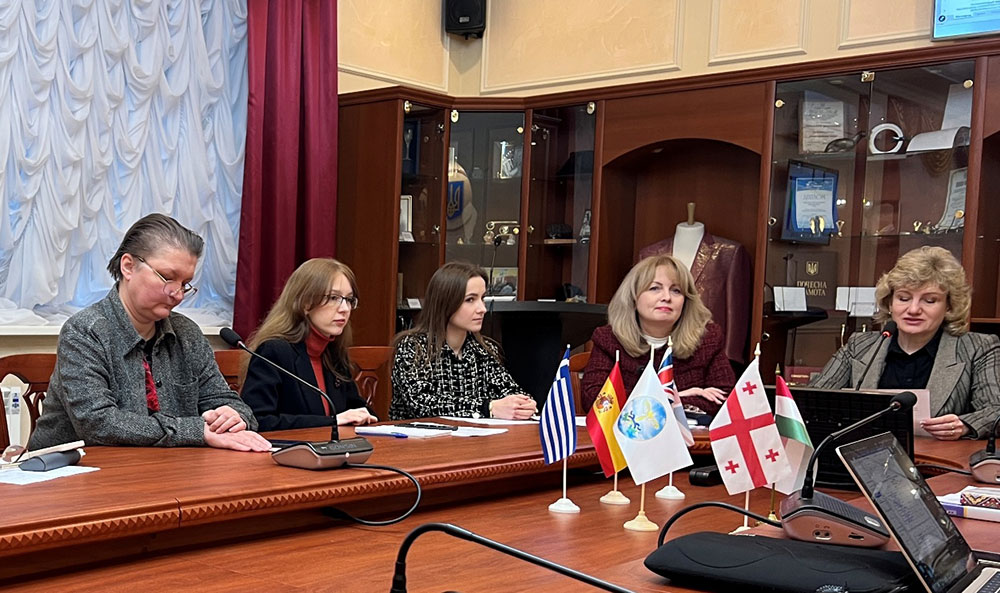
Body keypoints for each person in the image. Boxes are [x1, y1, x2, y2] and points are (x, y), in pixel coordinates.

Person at [28, 214, 269, 452]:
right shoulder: (85, 331)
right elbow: (98, 424)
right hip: (77, 469)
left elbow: (231, 404)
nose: (178, 294)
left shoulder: (187, 333)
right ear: (128, 266)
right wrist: (196, 431)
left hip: (165, 467)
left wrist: (233, 417)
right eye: (168, 278)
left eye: (185, 283)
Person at [811, 246, 1000, 440]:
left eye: (930, 300)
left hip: (937, 457)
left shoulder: (978, 348)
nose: (914, 309)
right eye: (904, 298)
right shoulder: (859, 346)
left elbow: (996, 410)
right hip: (864, 453)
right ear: (890, 303)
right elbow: (811, 399)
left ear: (949, 306)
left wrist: (965, 425)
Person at [581, 254, 735, 415]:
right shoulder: (610, 339)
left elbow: (725, 400)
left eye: (676, 291)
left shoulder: (707, 339)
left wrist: (651, 401)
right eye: (655, 288)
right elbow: (595, 399)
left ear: (686, 301)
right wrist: (675, 397)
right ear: (633, 297)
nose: (666, 297)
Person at [240, 258, 377, 431]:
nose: (345, 308)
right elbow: (259, 420)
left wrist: (367, 417)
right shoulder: (274, 351)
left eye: (349, 299)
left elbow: (357, 409)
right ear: (305, 303)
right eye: (333, 298)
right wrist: (332, 421)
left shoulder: (332, 353)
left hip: (334, 447)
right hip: (286, 448)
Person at [389, 262, 537, 420]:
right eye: (470, 300)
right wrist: (487, 407)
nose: (482, 309)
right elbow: (421, 404)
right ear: (446, 302)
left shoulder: (484, 350)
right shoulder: (413, 347)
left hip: (476, 434)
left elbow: (508, 390)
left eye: (482, 298)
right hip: (418, 435)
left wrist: (522, 404)